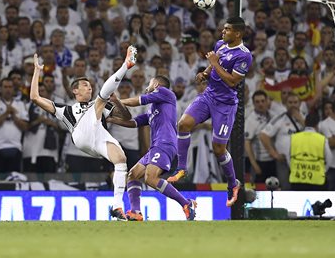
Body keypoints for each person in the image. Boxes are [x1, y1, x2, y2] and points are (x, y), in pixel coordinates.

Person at [29, 46, 137, 221]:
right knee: (101, 99)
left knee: (121, 159)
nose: (89, 88)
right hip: (80, 133)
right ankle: (126, 65)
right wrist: (36, 71)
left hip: (98, 137)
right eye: (85, 86)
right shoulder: (66, 110)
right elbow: (35, 97)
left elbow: (127, 117)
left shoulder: (101, 105)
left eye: (90, 86)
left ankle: (117, 206)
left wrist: (117, 102)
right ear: (75, 91)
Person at [168, 17, 253, 207]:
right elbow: (213, 63)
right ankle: (181, 168)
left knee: (218, 148)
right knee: (183, 124)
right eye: (224, 29)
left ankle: (233, 184)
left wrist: (214, 63)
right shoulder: (221, 44)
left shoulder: (244, 56)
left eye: (228, 29)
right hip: (209, 96)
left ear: (238, 33)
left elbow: (232, 81)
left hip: (226, 104)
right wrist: (205, 73)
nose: (223, 32)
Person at [108, 75, 197, 221]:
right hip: (155, 147)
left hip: (165, 143)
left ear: (155, 84)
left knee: (150, 177)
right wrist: (112, 120)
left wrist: (117, 101)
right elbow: (134, 122)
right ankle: (136, 212)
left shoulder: (166, 93)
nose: (147, 86)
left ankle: (186, 204)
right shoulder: (153, 109)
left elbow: (138, 100)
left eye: (149, 84)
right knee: (133, 175)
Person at [288, 112, 332, 191]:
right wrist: (323, 170)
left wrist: (293, 168)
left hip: (297, 179)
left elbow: (289, 157)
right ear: (317, 124)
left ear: (305, 123)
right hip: (317, 180)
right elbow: (329, 158)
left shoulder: (294, 138)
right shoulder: (322, 139)